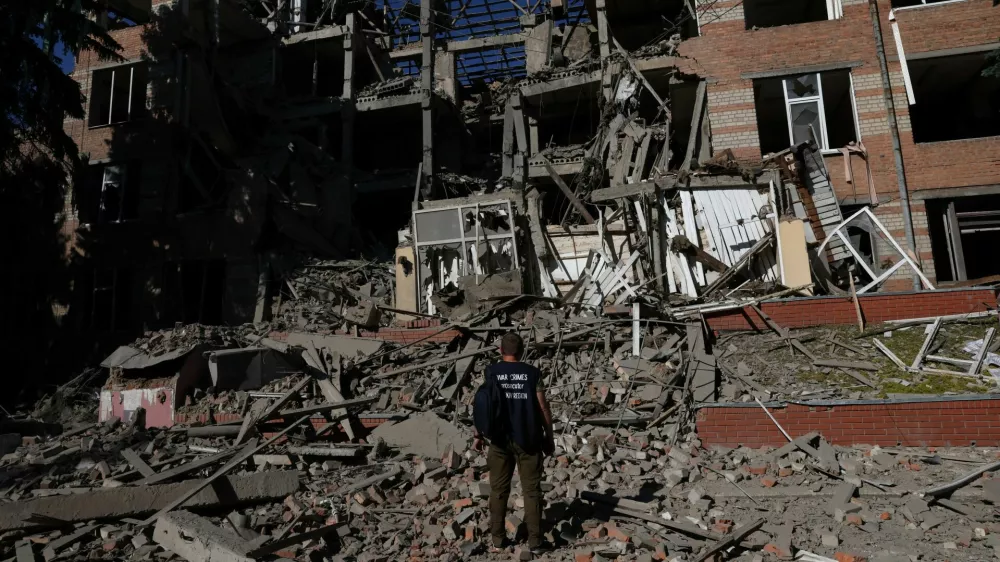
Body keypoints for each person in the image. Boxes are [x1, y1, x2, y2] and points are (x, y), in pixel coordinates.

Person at [473, 331, 555, 554]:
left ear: (501, 351)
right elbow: (543, 407)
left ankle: (498, 540)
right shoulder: (532, 373)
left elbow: (483, 405)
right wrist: (549, 437)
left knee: (498, 490)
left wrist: (478, 435)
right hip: (529, 439)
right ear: (520, 351)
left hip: (499, 440)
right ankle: (535, 542)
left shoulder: (492, 372)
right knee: (531, 491)